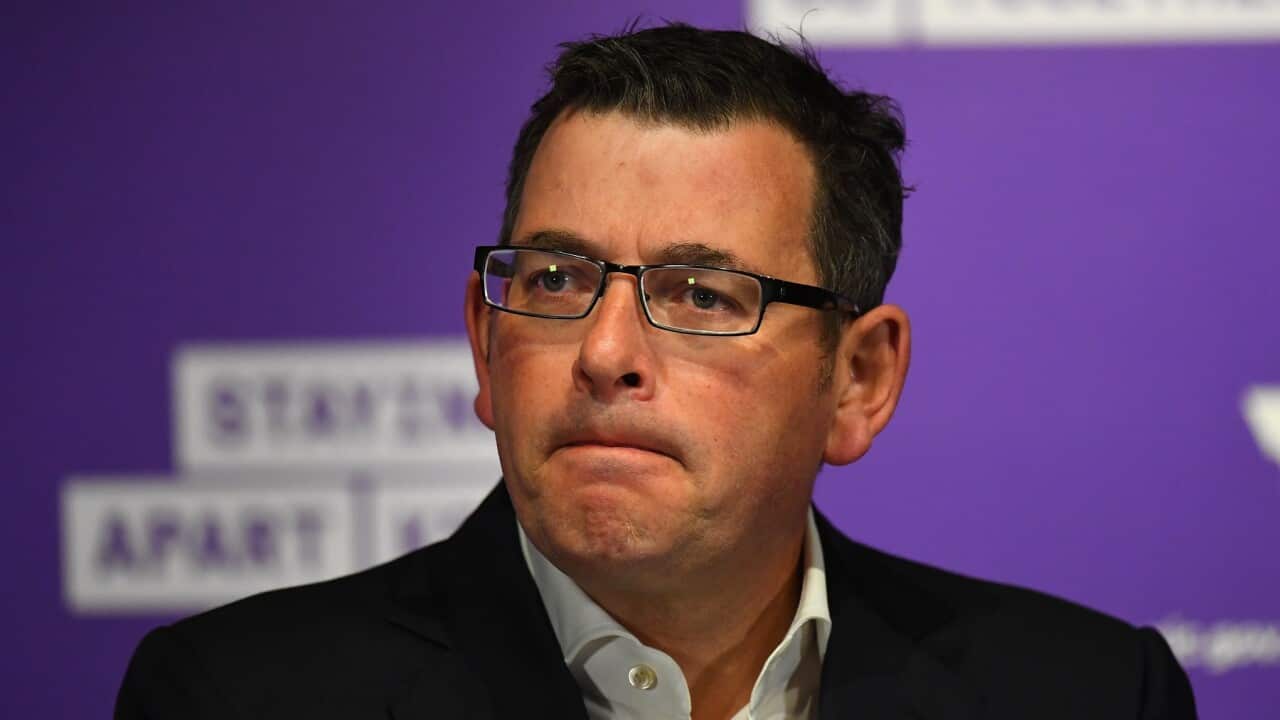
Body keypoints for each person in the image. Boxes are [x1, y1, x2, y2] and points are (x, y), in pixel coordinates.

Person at [116, 23, 1197, 720]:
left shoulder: (1087, 696)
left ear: (856, 379)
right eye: (551, 279)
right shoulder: (237, 699)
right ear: (483, 345)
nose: (602, 353)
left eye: (698, 296)